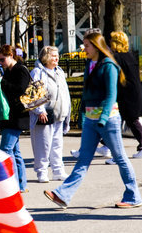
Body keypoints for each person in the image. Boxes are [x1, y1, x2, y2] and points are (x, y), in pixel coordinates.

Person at [44, 29, 142, 209]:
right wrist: (83, 114)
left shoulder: (109, 66)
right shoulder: (90, 63)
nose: (84, 48)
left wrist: (103, 118)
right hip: (91, 120)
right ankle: (63, 194)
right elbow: (86, 93)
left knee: (120, 158)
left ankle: (133, 195)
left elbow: (111, 94)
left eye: (87, 45)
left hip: (108, 120)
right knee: (83, 159)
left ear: (96, 46)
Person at [29, 46, 71, 183]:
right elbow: (33, 94)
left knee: (57, 145)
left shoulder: (59, 71)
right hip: (45, 115)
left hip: (59, 114)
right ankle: (41, 171)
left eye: (57, 55)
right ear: (45, 57)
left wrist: (67, 112)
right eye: (53, 56)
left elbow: (65, 93)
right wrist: (40, 110)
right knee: (43, 145)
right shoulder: (37, 72)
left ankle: (58, 171)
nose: (56, 58)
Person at [0, 44, 31, 192]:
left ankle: (14, 186)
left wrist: (1, 81)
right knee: (15, 151)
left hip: (17, 116)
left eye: (3, 59)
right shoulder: (9, 70)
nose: (1, 63)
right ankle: (21, 185)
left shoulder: (20, 69)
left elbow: (20, 90)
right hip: (12, 115)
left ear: (11, 56)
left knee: (6, 150)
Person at [109, 30, 142, 159]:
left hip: (126, 94)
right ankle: (106, 145)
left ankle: (111, 149)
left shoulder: (117, 58)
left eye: (112, 41)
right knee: (127, 120)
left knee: (130, 120)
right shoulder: (130, 55)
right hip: (134, 91)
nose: (110, 43)